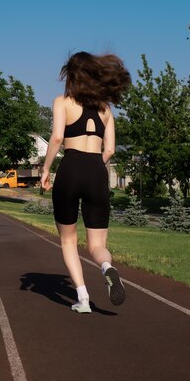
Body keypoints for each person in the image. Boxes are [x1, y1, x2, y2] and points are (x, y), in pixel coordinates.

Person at [40, 51, 131, 314]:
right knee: (97, 245)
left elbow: (57, 138)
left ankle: (82, 298)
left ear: (71, 76)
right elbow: (111, 150)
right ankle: (107, 268)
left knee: (68, 240)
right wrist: (95, 168)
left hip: (70, 168)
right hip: (96, 170)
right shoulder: (105, 109)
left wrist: (46, 169)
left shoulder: (62, 102)